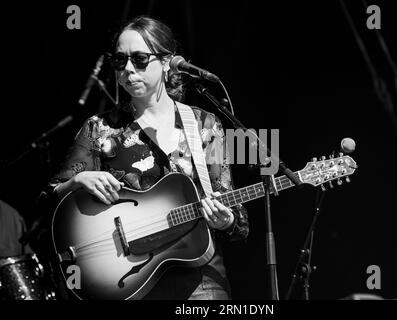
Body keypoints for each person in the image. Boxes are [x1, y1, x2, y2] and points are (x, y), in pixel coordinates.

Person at [41, 15, 249, 300]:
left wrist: (225, 221)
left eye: (139, 59)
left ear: (166, 62)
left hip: (201, 281)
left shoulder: (205, 124)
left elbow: (239, 221)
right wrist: (78, 180)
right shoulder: (99, 128)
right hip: (131, 283)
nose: (127, 69)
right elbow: (49, 198)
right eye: (119, 60)